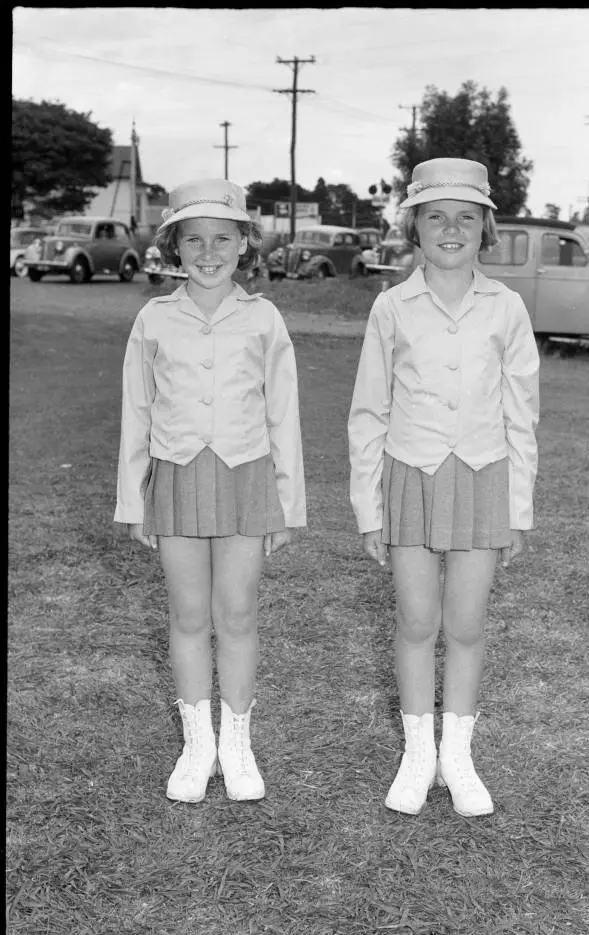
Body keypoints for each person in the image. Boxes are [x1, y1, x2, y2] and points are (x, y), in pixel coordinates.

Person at [348, 158, 539, 817]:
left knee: (464, 623)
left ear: (485, 229)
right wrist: (369, 509)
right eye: (436, 216)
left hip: (485, 479)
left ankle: (457, 758)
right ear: (415, 227)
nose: (451, 229)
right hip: (411, 478)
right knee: (416, 620)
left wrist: (518, 510)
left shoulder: (507, 308)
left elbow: (521, 413)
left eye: (466, 218)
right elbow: (369, 412)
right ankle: (417, 755)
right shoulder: (391, 307)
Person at [115, 178, 306, 804]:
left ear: (245, 243)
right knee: (189, 616)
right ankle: (198, 746)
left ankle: (237, 743)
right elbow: (136, 413)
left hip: (247, 478)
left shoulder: (263, 317)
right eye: (193, 238)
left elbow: (284, 415)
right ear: (174, 245)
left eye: (222, 237)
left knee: (238, 613)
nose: (207, 250)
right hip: (175, 477)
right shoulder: (153, 318)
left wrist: (287, 502)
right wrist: (132, 500)